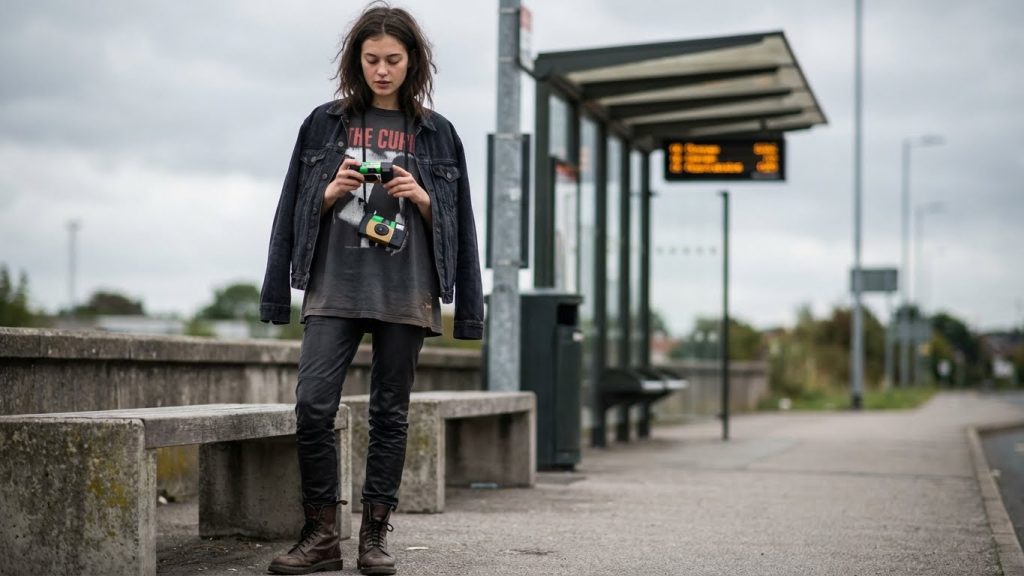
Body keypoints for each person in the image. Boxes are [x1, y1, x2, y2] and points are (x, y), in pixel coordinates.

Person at [258, 2, 483, 574]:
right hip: (334, 286)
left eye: (394, 60)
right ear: (356, 61)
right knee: (313, 407)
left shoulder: (438, 133)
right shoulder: (322, 124)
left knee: (390, 415)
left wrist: (423, 198)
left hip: (406, 290)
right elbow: (291, 210)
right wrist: (329, 192)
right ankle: (320, 536)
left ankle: (374, 538)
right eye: (372, 59)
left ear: (413, 62)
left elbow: (460, 225)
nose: (382, 70)